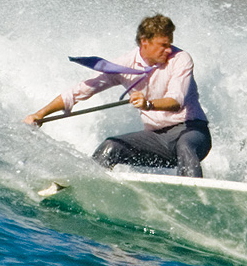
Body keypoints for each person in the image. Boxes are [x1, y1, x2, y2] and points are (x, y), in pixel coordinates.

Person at [24, 14, 211, 177]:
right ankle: (87, 185)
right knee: (111, 146)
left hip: (192, 132)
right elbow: (80, 91)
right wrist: (40, 114)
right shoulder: (124, 66)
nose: (169, 50)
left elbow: (176, 101)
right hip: (157, 140)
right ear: (145, 41)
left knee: (185, 146)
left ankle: (195, 198)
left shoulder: (180, 59)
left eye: (170, 44)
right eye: (163, 45)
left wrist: (148, 104)